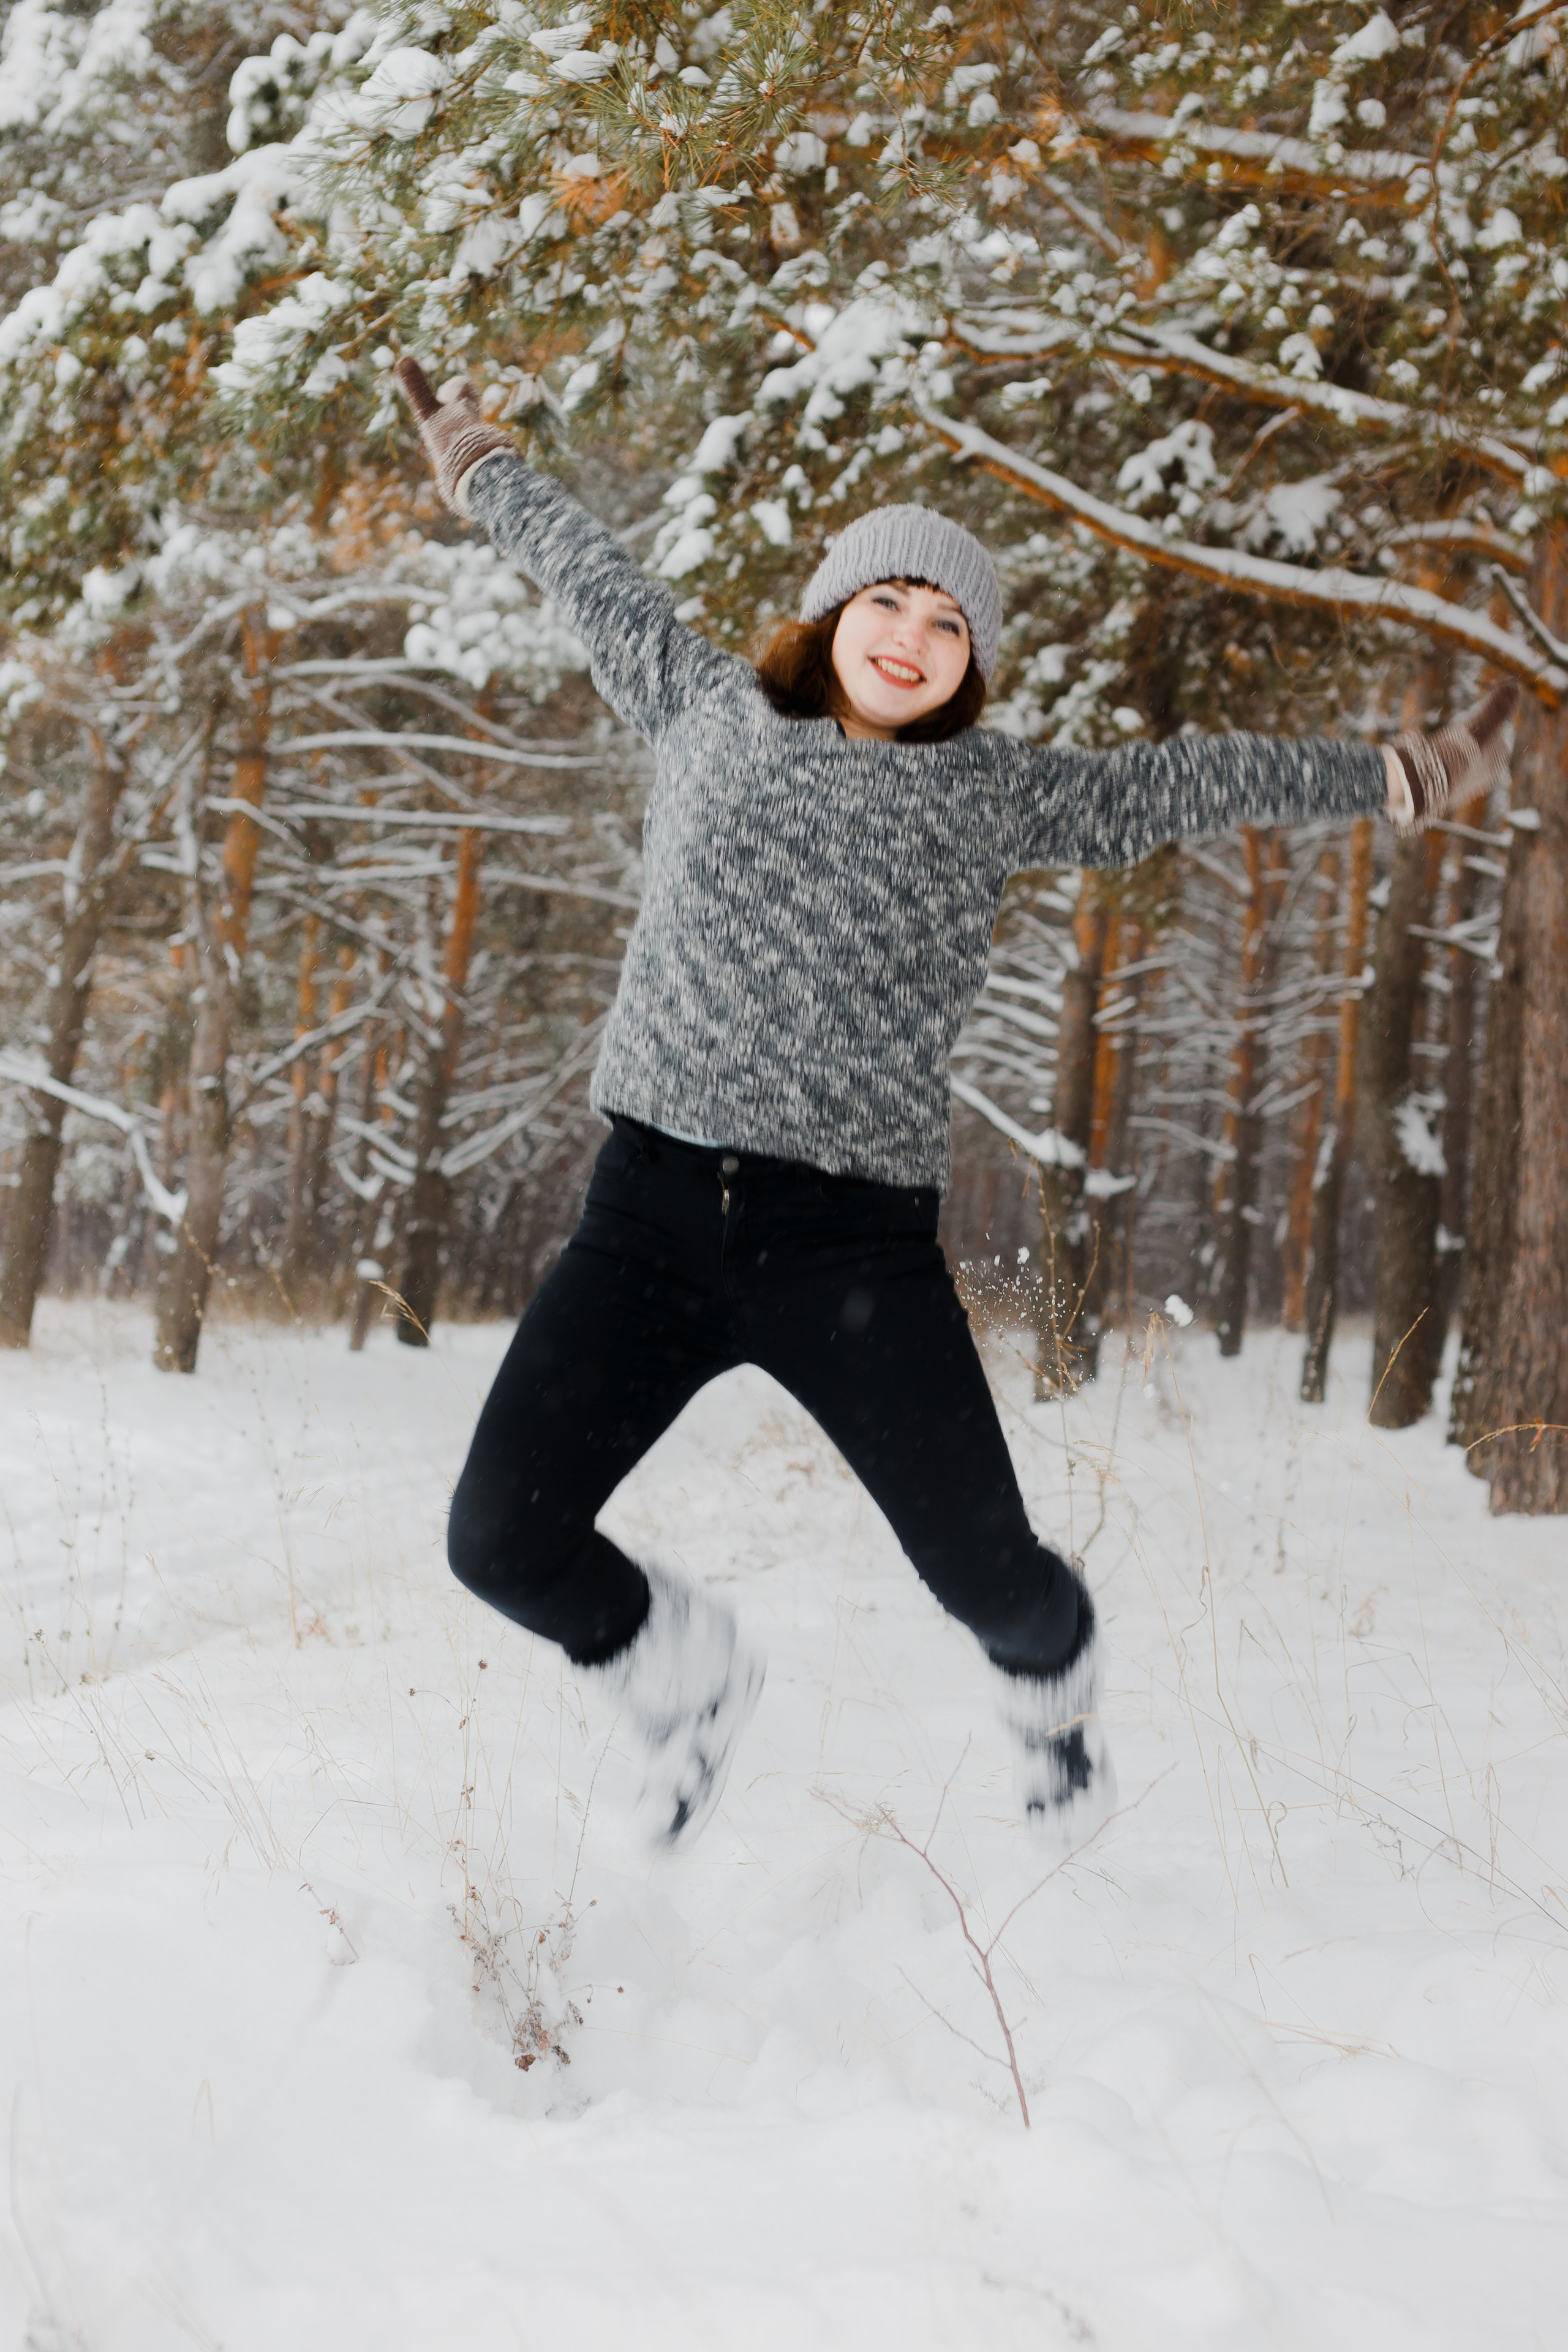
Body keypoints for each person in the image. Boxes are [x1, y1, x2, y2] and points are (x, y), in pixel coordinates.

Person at [394, 357, 1516, 1853]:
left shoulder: (990, 791)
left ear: (972, 661)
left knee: (991, 1574)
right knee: (499, 1540)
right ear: (829, 614)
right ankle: (686, 1678)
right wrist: (476, 461)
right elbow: (578, 563)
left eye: (947, 625)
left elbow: (1190, 781)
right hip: (645, 1222)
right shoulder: (699, 702)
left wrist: (1392, 771)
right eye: (887, 605)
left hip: (847, 1253)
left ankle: (1051, 1697)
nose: (912, 640)